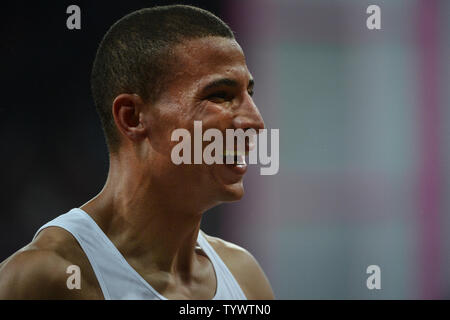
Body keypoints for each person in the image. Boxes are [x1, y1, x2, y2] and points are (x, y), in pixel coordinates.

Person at [0, 5, 274, 300]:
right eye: (220, 95)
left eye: (249, 94)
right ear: (132, 117)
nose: (255, 122)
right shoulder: (45, 277)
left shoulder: (243, 274)